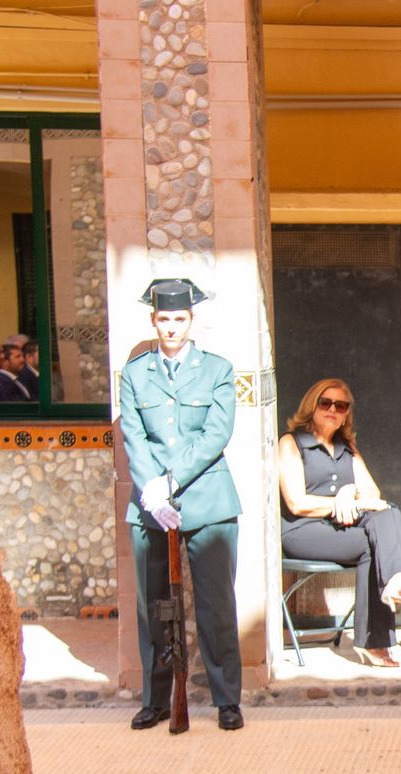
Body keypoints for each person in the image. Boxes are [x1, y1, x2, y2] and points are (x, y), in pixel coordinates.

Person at [119, 278, 246, 732]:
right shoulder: (135, 374)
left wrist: (172, 479)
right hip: (151, 505)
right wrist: (152, 488)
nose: (171, 327)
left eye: (179, 319)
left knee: (216, 606)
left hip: (207, 501)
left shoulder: (217, 369)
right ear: (153, 321)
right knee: (153, 606)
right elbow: (134, 436)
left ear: (191, 321)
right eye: (163, 319)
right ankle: (155, 699)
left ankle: (227, 698)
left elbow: (216, 433)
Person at [279, 378, 401, 668]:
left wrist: (350, 492)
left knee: (388, 511)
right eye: (326, 403)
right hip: (302, 531)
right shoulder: (292, 443)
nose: (332, 410)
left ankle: (395, 582)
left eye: (341, 405)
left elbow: (373, 494)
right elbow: (296, 503)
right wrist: (338, 503)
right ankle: (378, 637)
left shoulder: (346, 446)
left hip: (339, 528)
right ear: (312, 406)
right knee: (372, 544)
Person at [2, 335, 33, 399]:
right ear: (5, 360)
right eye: (17, 357)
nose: (23, 360)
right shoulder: (2, 382)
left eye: (22, 356)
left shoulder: (19, 378)